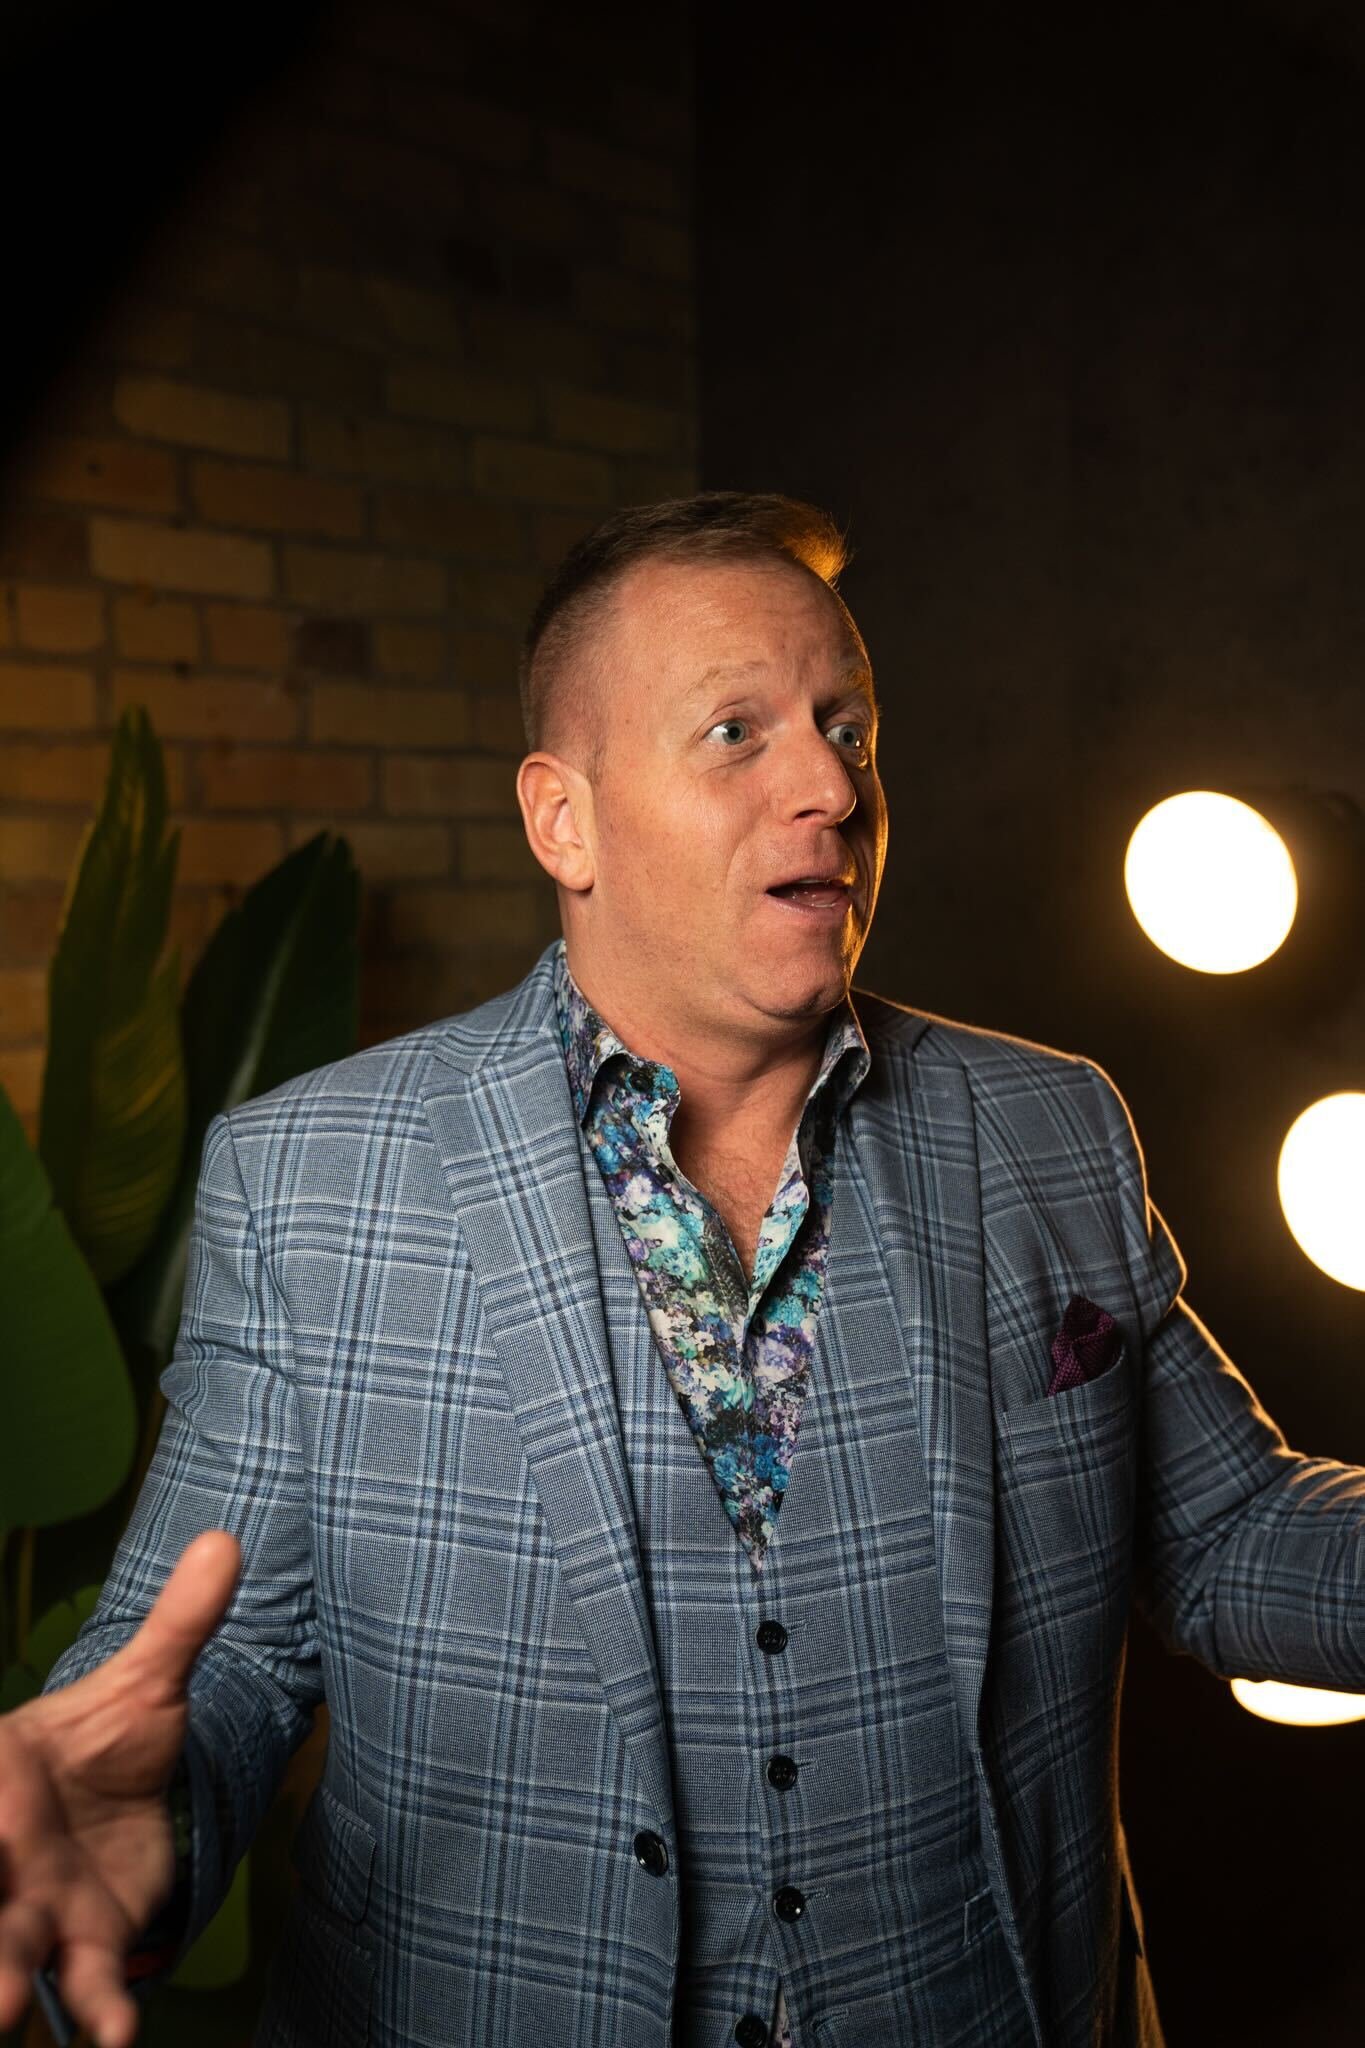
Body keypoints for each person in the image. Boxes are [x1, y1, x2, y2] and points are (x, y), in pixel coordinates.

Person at [3, 491, 1363, 2048]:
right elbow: (218, 1649)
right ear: (560, 820)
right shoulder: (316, 1180)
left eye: (846, 723)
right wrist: (140, 1825)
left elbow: (1227, 1533)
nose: (830, 785)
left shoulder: (1046, 1125)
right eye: (737, 731)